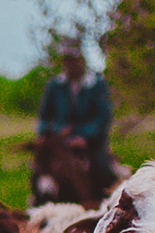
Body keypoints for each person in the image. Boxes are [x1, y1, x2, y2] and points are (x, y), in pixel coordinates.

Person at [36, 41, 115, 196]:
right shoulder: (54, 85)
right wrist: (45, 133)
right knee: (40, 169)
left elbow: (102, 119)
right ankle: (36, 202)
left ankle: (105, 201)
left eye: (74, 60)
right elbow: (44, 116)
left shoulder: (97, 85)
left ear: (82, 60)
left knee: (102, 169)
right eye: (67, 60)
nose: (70, 64)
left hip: (90, 143)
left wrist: (84, 136)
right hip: (59, 141)